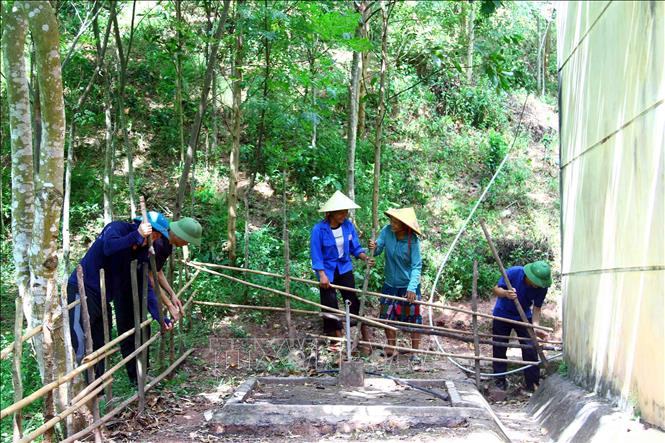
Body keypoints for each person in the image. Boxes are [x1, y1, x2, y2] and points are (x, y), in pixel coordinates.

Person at [67, 213, 168, 380]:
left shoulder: (141, 252)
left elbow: (146, 285)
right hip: (83, 289)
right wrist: (137, 235)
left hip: (104, 296)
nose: (155, 239)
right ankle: (80, 390)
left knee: (99, 344)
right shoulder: (117, 228)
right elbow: (109, 247)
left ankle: (97, 393)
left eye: (157, 236)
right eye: (154, 234)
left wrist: (160, 315)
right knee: (82, 342)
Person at [115, 214, 203, 384]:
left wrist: (172, 293)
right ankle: (135, 378)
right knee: (129, 331)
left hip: (142, 287)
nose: (186, 244)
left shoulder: (168, 244)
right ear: (179, 235)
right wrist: (168, 304)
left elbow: (158, 271)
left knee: (143, 329)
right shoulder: (158, 242)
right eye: (187, 240)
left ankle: (143, 373)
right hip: (127, 284)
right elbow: (150, 276)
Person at [310, 191, 373, 343]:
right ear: (331, 213)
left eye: (345, 212)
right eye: (341, 212)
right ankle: (336, 339)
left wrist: (365, 257)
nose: (344, 215)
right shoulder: (319, 230)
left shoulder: (347, 226)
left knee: (351, 299)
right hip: (327, 270)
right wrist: (322, 274)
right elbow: (316, 253)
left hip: (344, 267)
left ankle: (362, 336)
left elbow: (355, 248)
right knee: (329, 302)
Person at [369, 208, 423, 359]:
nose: (392, 224)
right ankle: (392, 348)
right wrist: (374, 246)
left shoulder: (413, 241)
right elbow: (378, 249)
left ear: (405, 225)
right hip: (389, 284)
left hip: (408, 285)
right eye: (391, 220)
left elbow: (416, 266)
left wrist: (412, 287)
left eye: (396, 222)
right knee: (386, 316)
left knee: (413, 318)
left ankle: (415, 352)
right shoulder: (387, 231)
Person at [491, 260, 552, 392]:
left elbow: (537, 309)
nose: (537, 286)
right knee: (499, 346)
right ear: (529, 276)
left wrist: (535, 328)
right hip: (502, 313)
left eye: (539, 284)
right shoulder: (514, 272)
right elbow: (496, 289)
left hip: (523, 315)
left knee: (530, 347)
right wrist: (505, 294)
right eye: (535, 282)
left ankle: (532, 383)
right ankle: (499, 380)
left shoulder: (542, 287)